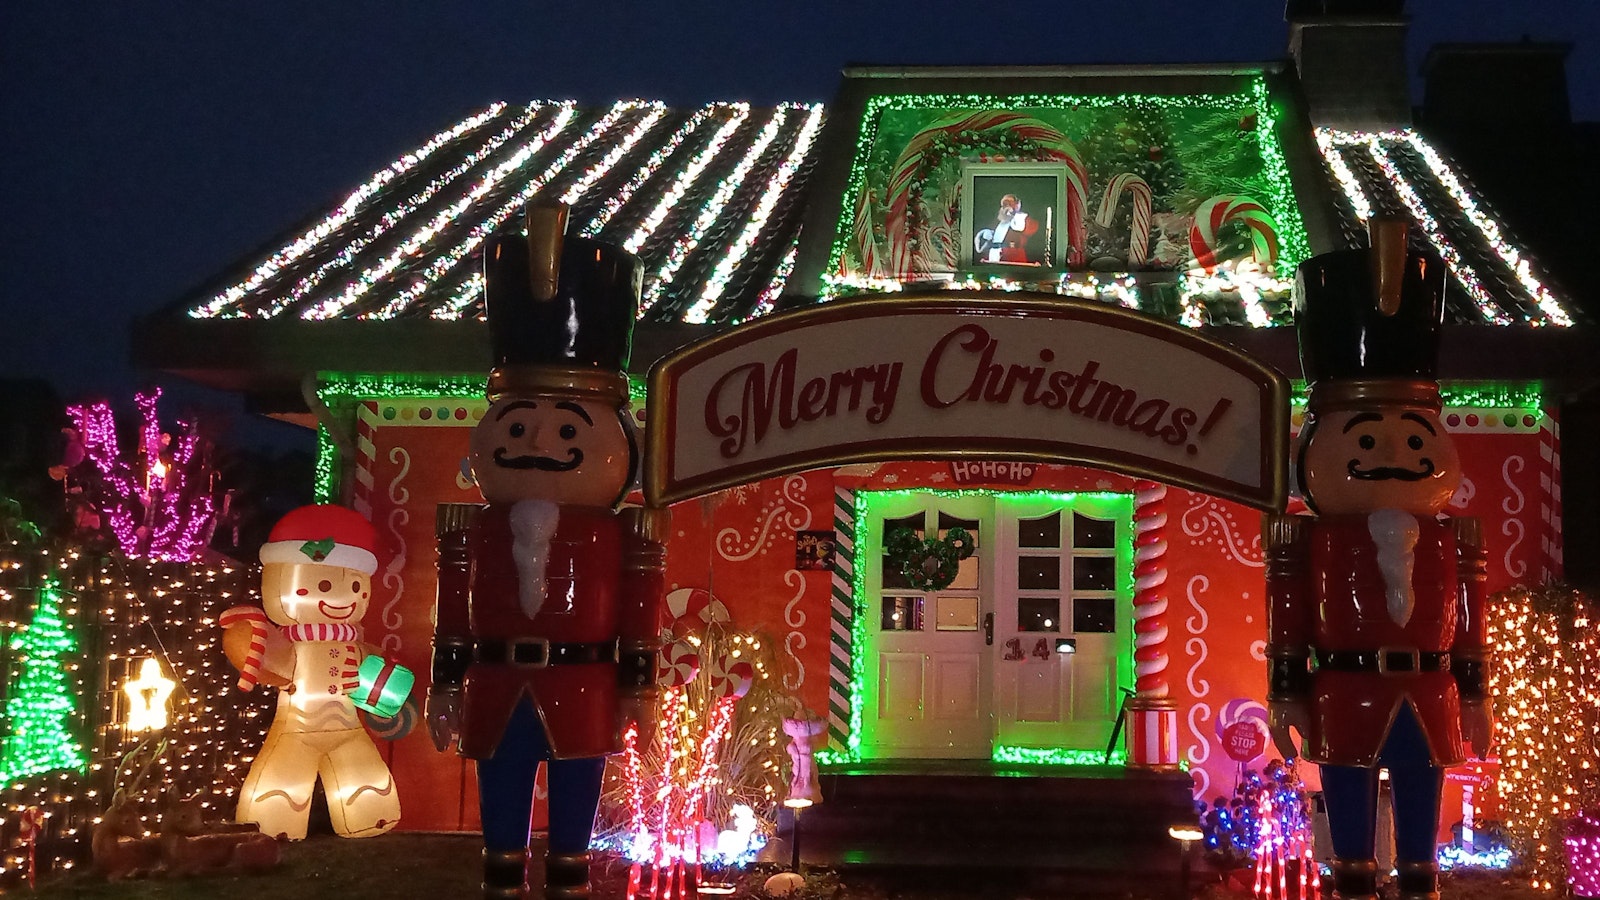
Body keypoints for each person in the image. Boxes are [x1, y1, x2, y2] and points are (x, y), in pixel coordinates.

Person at [427, 201, 666, 900]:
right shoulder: (475, 530)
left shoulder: (618, 534)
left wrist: (640, 689)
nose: (537, 442)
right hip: (496, 683)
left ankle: (569, 880)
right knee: (500, 804)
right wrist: (445, 680)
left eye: (568, 430)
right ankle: (500, 879)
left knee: (574, 815)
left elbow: (639, 608)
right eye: (519, 423)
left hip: (584, 686)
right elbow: (453, 611)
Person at [1265, 219, 1492, 900]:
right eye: (1366, 437)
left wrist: (1477, 694)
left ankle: (1420, 881)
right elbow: (1291, 616)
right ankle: (1353, 882)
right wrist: (1284, 693)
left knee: (1423, 808)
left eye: (1415, 438)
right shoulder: (1312, 540)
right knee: (1351, 814)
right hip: (1344, 689)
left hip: (1431, 689)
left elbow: (1471, 621)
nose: (1395, 454)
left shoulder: (1455, 539)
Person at [222, 504, 402, 840]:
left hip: (348, 726)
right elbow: (268, 659)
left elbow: (380, 677)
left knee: (365, 777)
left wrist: (375, 676)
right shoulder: (293, 643)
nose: (344, 598)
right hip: (297, 727)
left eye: (355, 588)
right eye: (322, 584)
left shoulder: (355, 642)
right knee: (283, 781)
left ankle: (371, 815)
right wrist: (256, 647)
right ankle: (272, 826)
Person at [976, 193, 1041, 264]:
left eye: (1010, 203)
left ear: (1017, 205)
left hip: (1013, 257)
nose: (1007, 206)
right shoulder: (999, 221)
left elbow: (1029, 228)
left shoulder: (1022, 219)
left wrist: (1014, 214)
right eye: (1005, 204)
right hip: (995, 256)